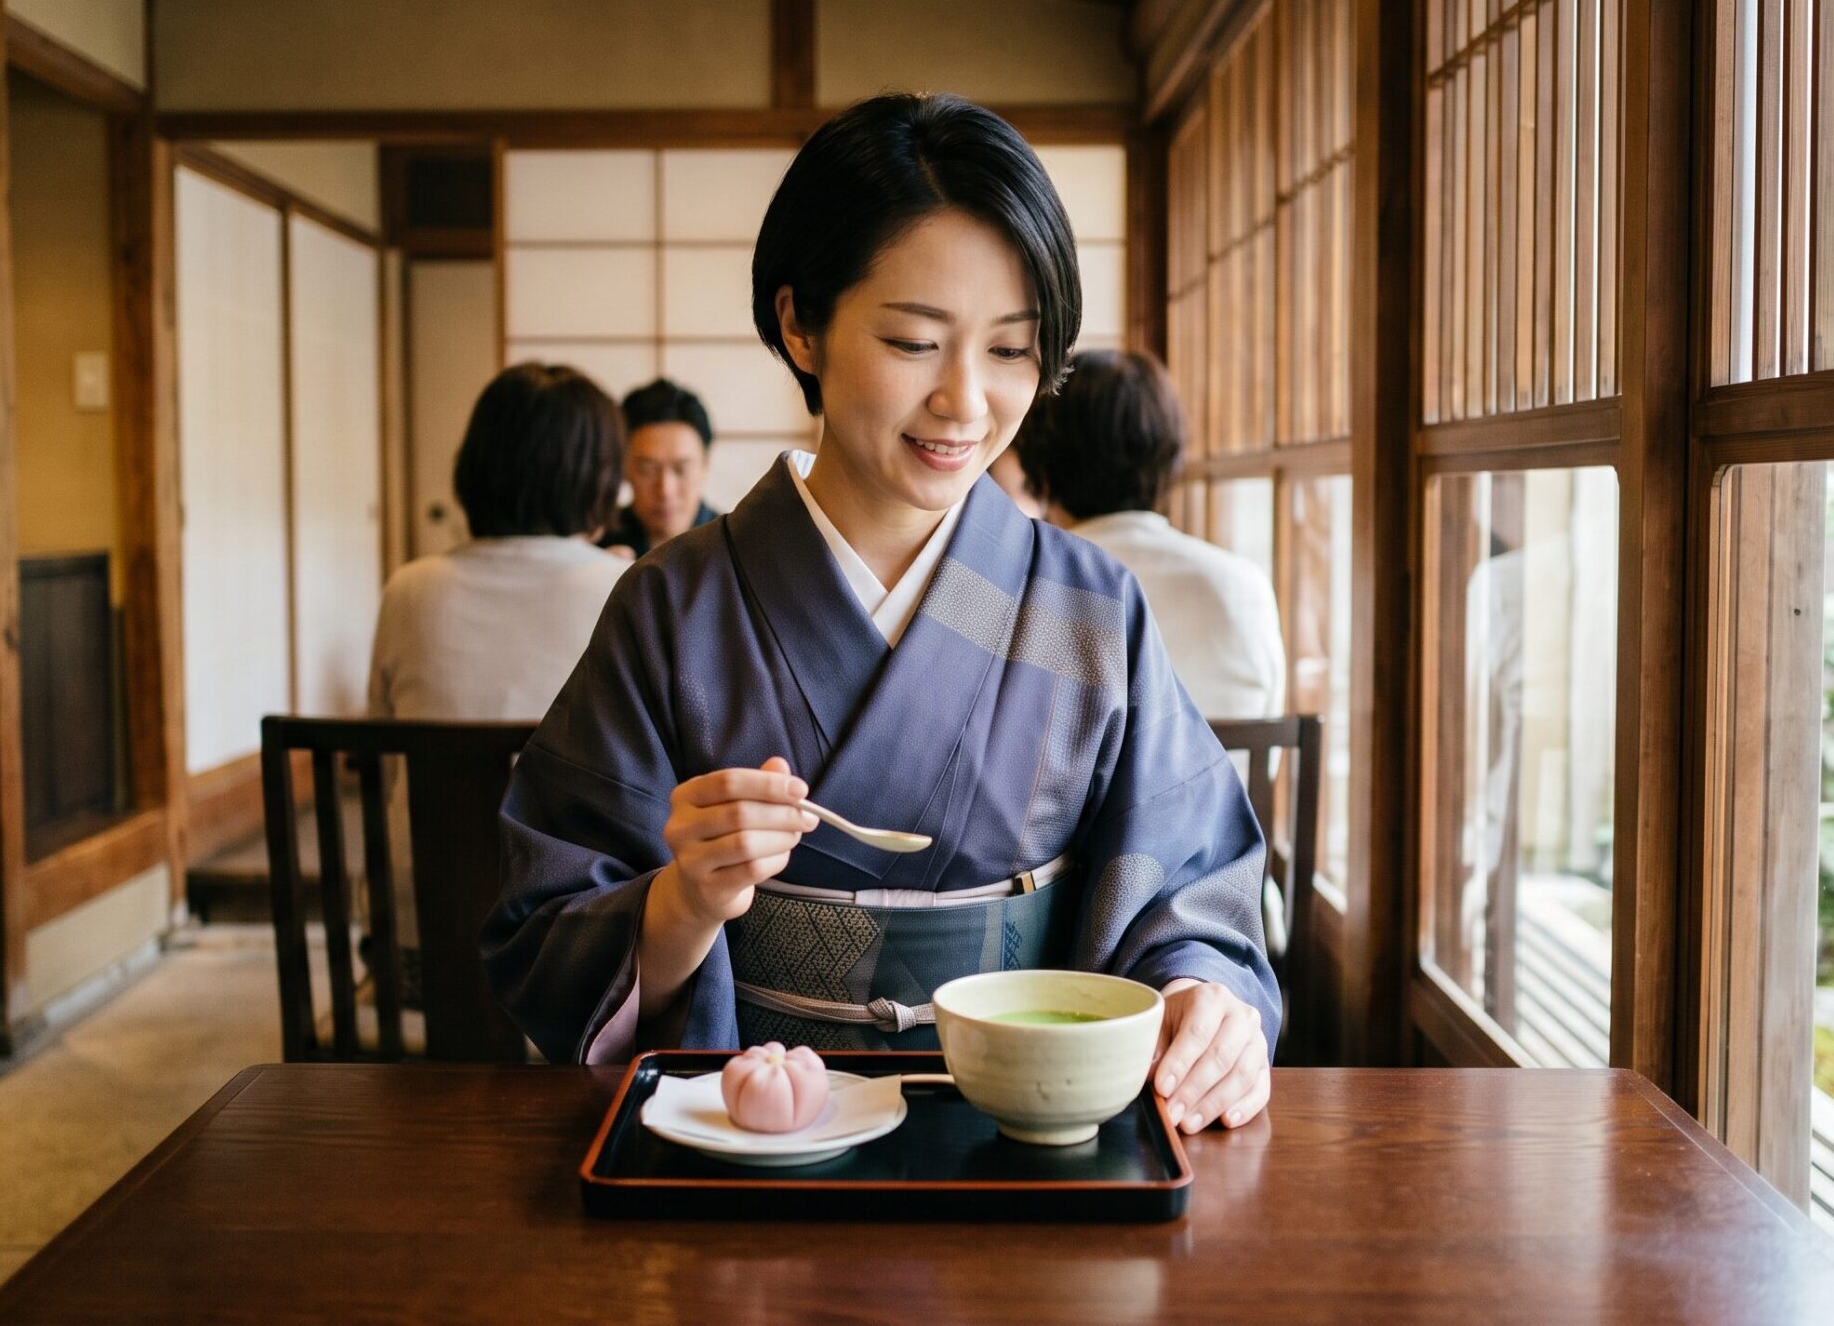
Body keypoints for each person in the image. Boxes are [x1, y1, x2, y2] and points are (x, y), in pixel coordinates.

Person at [482, 94, 1279, 1138]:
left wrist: (1199, 998)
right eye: (913, 340)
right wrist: (681, 902)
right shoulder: (674, 609)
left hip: (1029, 1134)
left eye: (1010, 351)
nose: (966, 402)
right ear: (799, 324)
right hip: (751, 1139)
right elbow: (544, 932)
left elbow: (1189, 885)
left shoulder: (1090, 610)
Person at [1016, 349, 1288, 721]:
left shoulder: (1031, 590)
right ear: (1167, 457)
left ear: (1040, 464)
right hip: (1231, 781)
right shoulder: (1244, 584)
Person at [367, 361, 631, 723]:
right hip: (570, 784)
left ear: (477, 465)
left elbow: (383, 737)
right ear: (598, 478)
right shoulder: (626, 588)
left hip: (436, 783)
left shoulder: (408, 588)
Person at [598, 378, 719, 558]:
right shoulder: (599, 546)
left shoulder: (734, 543)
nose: (665, 490)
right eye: (647, 470)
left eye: (681, 469)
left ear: (705, 464)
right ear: (624, 467)